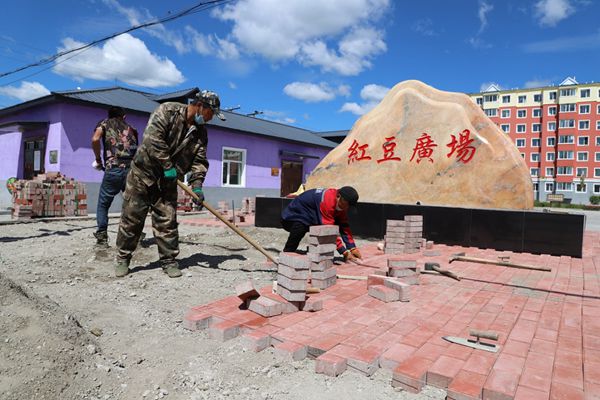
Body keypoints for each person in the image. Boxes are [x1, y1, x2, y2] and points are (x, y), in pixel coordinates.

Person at [114, 90, 226, 278]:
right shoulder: (167, 111)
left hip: (167, 182)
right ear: (200, 106)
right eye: (211, 113)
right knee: (132, 219)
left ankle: (168, 260)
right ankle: (123, 258)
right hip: (142, 175)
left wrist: (197, 185)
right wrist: (167, 165)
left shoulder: (201, 132)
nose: (211, 118)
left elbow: (199, 160)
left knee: (167, 221)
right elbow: (152, 140)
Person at [91, 106, 139, 248]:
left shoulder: (104, 123)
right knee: (132, 204)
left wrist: (98, 159)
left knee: (103, 204)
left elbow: (95, 139)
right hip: (131, 170)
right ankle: (134, 236)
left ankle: (102, 238)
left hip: (113, 168)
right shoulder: (132, 129)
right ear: (124, 117)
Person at [281, 186, 362, 261]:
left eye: (348, 206)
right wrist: (344, 252)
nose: (346, 208)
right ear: (339, 196)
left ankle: (314, 251)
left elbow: (344, 226)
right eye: (346, 204)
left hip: (312, 214)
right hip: (290, 218)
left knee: (322, 228)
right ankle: (287, 254)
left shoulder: (341, 205)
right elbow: (329, 230)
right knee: (302, 226)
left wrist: (352, 247)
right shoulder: (327, 202)